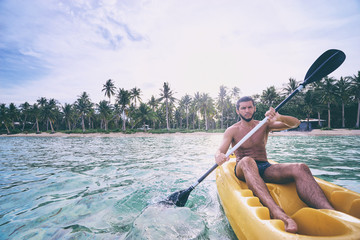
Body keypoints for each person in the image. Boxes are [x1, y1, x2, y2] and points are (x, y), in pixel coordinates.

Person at [215, 96, 334, 233]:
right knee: (248, 160)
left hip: (264, 167)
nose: (247, 110)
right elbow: (221, 150)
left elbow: (295, 123)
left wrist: (279, 117)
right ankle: (277, 212)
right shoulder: (232, 130)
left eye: (249, 107)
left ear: (254, 108)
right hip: (243, 167)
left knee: (301, 167)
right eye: (243, 108)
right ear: (238, 111)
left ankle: (329, 210)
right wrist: (219, 156)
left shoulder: (264, 124)